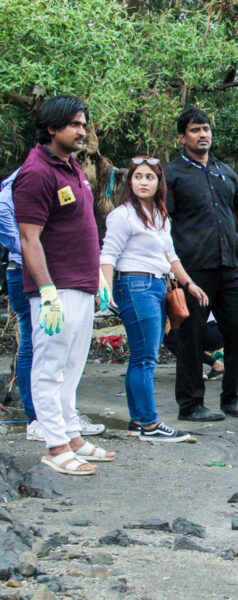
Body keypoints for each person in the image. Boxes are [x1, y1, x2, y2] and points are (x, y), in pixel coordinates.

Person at [13, 95, 115, 474]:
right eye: (74, 124)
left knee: (73, 365)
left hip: (83, 283)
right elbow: (29, 239)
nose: (82, 131)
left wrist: (98, 279)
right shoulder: (36, 172)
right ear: (52, 127)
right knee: (50, 366)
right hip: (56, 288)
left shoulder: (72, 168)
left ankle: (71, 433)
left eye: (84, 124)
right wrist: (47, 292)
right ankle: (55, 446)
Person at [164, 108, 238, 422]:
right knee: (192, 335)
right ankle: (191, 404)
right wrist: (171, 270)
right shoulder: (171, 175)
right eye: (195, 130)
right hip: (192, 271)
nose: (203, 135)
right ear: (182, 137)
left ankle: (232, 398)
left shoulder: (226, 172)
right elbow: (162, 224)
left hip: (229, 267)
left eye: (206, 129)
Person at [100, 157, 206, 442]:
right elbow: (107, 255)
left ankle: (139, 421)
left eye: (149, 177)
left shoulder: (160, 215)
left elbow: (170, 256)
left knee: (143, 357)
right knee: (145, 358)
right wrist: (105, 292)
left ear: (159, 183)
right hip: (135, 285)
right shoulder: (122, 215)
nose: (143, 182)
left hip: (158, 285)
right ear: (129, 181)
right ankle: (150, 424)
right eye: (138, 177)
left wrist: (189, 283)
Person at [0, 169, 106, 441]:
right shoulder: (26, 178)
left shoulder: (68, 173)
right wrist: (36, 250)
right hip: (26, 270)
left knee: (63, 347)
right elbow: (12, 226)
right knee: (33, 343)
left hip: (59, 273)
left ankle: (63, 417)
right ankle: (37, 419)